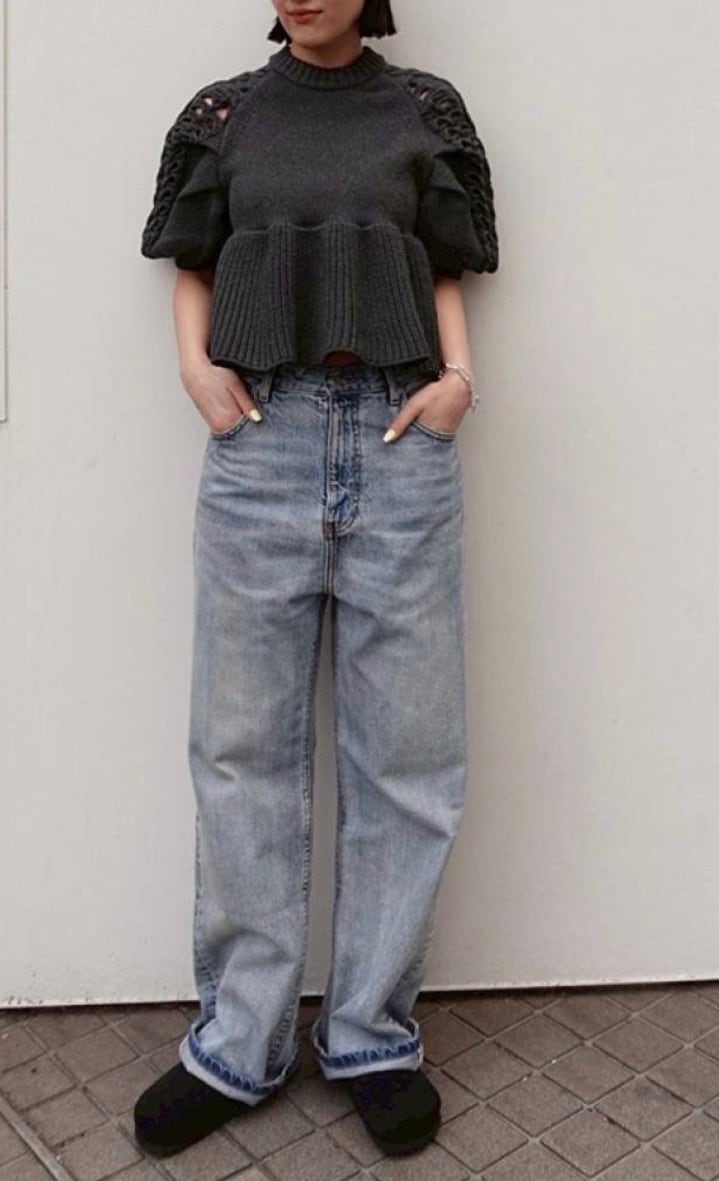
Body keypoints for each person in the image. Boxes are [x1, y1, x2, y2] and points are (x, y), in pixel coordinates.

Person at [133, 0, 498, 1160]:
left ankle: (372, 1036)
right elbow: (192, 263)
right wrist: (194, 371)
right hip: (260, 437)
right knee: (240, 748)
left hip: (399, 436)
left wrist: (457, 381)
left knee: (407, 755)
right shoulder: (224, 114)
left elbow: (446, 265)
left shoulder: (422, 110)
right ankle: (235, 1042)